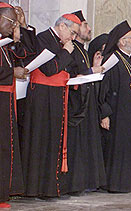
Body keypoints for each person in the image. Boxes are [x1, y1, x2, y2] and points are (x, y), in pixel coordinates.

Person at [22, 13, 81, 200]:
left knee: (54, 140)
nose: (73, 38)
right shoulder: (43, 38)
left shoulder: (62, 42)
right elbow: (49, 69)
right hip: (41, 97)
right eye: (72, 33)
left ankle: (51, 187)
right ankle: (36, 189)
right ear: (62, 26)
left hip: (55, 96)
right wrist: (66, 52)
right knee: (41, 141)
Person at [99, 20, 131, 192]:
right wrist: (104, 113)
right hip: (117, 113)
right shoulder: (111, 60)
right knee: (119, 148)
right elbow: (101, 88)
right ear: (122, 41)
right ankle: (117, 184)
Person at [65, 10, 106, 196]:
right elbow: (73, 76)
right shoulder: (71, 48)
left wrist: (93, 66)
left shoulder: (84, 50)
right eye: (85, 25)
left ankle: (88, 182)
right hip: (76, 107)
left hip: (87, 105)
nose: (89, 29)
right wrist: (91, 70)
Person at [0, 3, 29, 208]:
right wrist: (13, 73)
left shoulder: (5, 43)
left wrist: (19, 32)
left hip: (6, 101)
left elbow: (25, 53)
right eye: (10, 22)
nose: (12, 26)